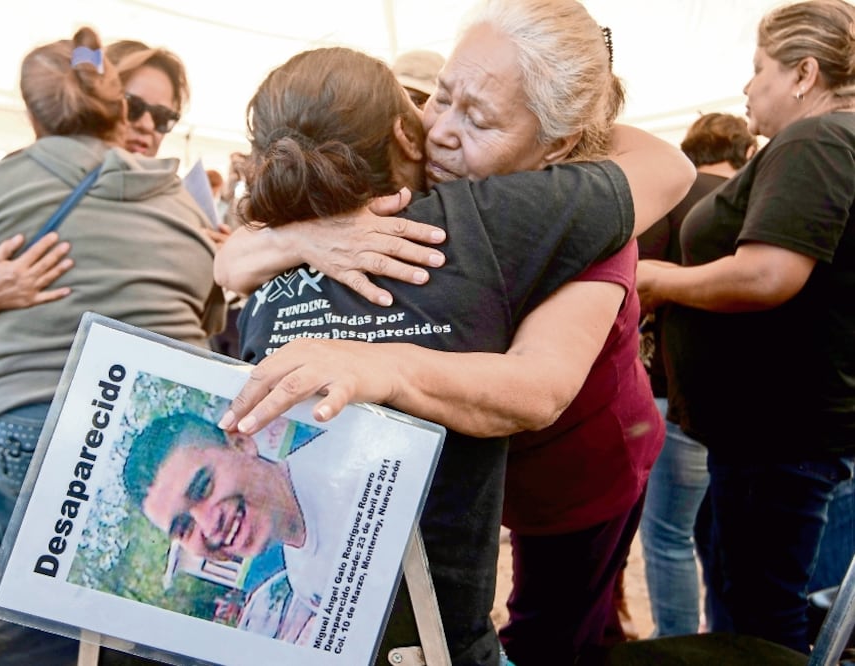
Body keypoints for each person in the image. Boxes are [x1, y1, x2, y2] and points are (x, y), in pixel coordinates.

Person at [213, 2, 693, 663]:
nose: (439, 131)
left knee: (558, 626)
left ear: (555, 146)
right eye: (440, 96)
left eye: (480, 120)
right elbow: (231, 261)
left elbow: (538, 388)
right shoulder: (425, 198)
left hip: (575, 464)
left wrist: (378, 363)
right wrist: (306, 237)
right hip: (483, 460)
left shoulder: (580, 219)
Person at [0, 26, 225, 541]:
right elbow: (210, 316)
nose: (148, 125)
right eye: (137, 108)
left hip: (33, 423)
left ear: (32, 114)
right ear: (114, 104)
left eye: (164, 118)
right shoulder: (181, 204)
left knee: (33, 586)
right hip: (175, 426)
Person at [636, 0, 855, 653]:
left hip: (778, 434)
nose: (747, 85)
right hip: (783, 434)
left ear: (804, 73)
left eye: (760, 68)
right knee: (764, 601)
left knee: (763, 619)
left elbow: (766, 275)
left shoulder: (816, 140)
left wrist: (658, 280)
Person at [636, 112, 757, 637]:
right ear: (745, 152)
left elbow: (634, 289)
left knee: (668, 535)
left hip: (672, 392)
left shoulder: (672, 200)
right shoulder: (760, 201)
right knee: (721, 536)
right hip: (747, 399)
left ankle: (678, 643)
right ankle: (723, 641)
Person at [123, 413, 351, 644]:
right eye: (184, 527)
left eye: (203, 487)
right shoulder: (301, 578)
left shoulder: (353, 472)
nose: (210, 526)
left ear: (241, 444)